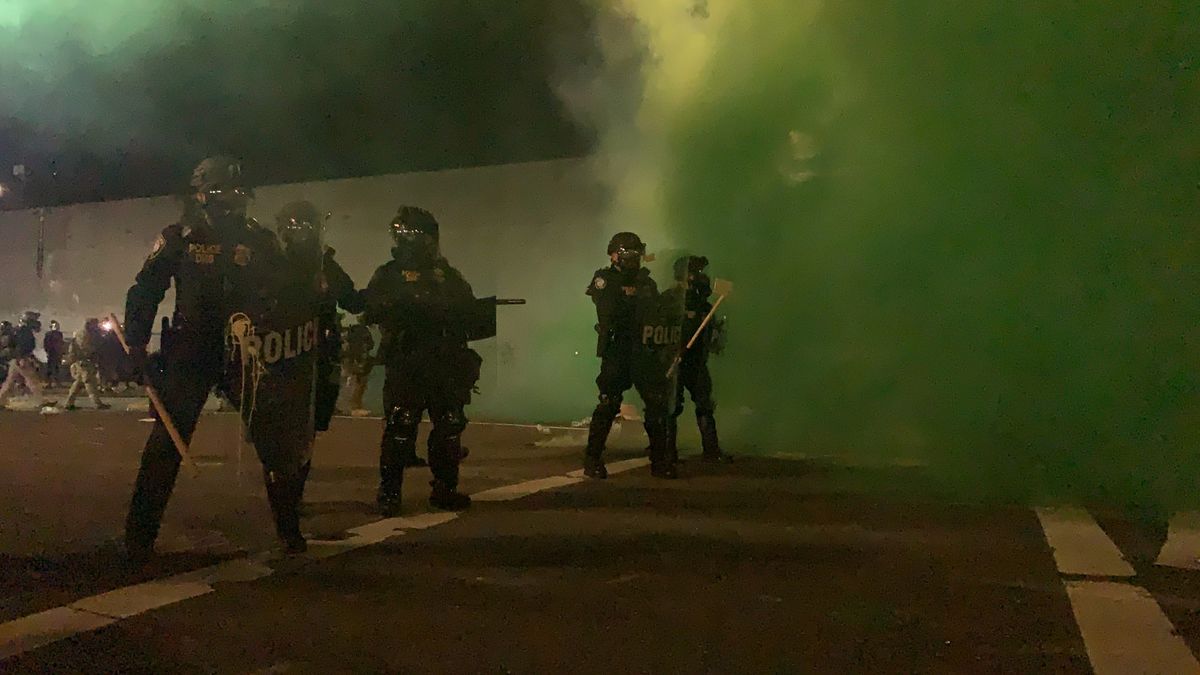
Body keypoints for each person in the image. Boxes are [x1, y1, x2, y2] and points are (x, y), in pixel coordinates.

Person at [122, 156, 305, 561]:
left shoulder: (261, 240)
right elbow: (146, 288)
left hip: (247, 350)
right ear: (202, 193)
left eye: (239, 193)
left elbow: (286, 292)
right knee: (166, 442)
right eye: (223, 192)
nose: (232, 202)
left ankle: (289, 529)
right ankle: (138, 537)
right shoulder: (180, 237)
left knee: (276, 440)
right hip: (191, 348)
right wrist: (135, 343)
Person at [364, 206, 482, 516]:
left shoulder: (447, 275)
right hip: (408, 358)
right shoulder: (388, 274)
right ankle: (389, 492)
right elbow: (372, 308)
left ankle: (445, 489)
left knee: (449, 425)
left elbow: (469, 310)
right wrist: (403, 305)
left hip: (444, 359)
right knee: (401, 424)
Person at [582, 233, 679, 479]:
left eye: (636, 255)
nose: (632, 260)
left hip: (643, 350)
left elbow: (656, 312)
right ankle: (592, 459)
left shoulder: (646, 282)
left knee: (656, 404)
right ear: (614, 255)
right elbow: (609, 309)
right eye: (628, 254)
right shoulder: (605, 279)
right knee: (608, 404)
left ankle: (660, 461)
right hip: (617, 350)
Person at [274, 201, 366, 434]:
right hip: (283, 346)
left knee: (317, 408)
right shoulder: (273, 263)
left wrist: (383, 293)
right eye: (293, 228)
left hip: (318, 348)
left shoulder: (326, 267)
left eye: (303, 227)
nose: (299, 234)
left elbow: (352, 301)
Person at [667, 255, 732, 463]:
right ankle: (666, 451)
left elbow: (713, 339)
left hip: (696, 362)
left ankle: (711, 450)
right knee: (671, 407)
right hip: (674, 361)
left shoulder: (704, 305)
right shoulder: (670, 300)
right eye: (699, 273)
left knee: (704, 404)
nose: (704, 277)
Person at [0, 311, 49, 409]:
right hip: (21, 359)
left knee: (9, 383)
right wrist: (21, 358)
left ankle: (1, 401)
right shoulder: (24, 331)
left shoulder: (21, 330)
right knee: (32, 381)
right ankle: (39, 402)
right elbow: (22, 347)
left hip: (17, 360)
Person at [62, 318, 111, 410]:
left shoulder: (86, 333)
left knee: (78, 383)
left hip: (82, 362)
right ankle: (97, 404)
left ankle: (69, 403)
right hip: (84, 361)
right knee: (90, 382)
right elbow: (87, 349)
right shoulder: (85, 335)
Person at [341, 315, 376, 414]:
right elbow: (369, 345)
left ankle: (352, 406)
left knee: (353, 382)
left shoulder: (352, 330)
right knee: (359, 383)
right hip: (359, 359)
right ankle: (355, 406)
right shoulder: (364, 331)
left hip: (352, 359)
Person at [44, 320, 66, 385]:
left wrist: (61, 351)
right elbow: (47, 344)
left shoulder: (59, 334)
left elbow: (61, 343)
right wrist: (48, 351)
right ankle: (49, 383)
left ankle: (57, 381)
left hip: (57, 353)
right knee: (50, 368)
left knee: (56, 367)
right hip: (51, 352)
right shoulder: (48, 334)